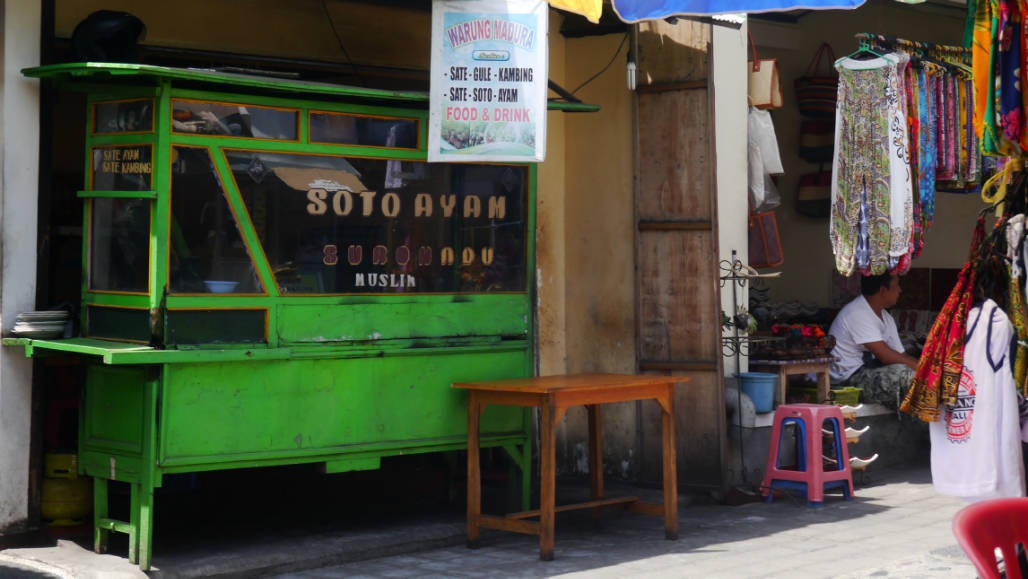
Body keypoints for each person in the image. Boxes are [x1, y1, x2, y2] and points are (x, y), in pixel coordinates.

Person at [828, 273, 918, 408]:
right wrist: (921, 369)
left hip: (867, 374)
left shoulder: (886, 317)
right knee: (906, 377)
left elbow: (901, 355)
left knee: (914, 375)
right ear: (883, 290)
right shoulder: (857, 312)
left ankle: (924, 427)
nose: (900, 290)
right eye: (896, 286)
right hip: (846, 384)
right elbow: (885, 355)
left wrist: (924, 368)